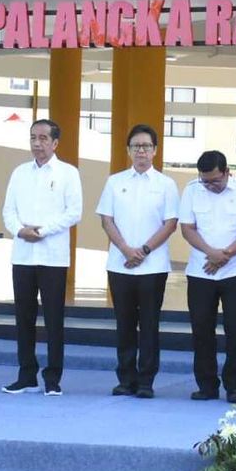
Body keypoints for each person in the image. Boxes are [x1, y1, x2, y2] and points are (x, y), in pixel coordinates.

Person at [96, 124, 179, 399]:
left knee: (150, 324)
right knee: (124, 324)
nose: (141, 151)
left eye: (146, 146)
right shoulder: (115, 182)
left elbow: (170, 224)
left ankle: (146, 380)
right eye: (135, 146)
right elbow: (106, 219)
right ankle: (125, 378)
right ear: (128, 150)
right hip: (119, 265)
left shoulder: (166, 184)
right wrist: (125, 249)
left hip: (152, 267)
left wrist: (142, 251)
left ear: (155, 150)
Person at [1, 119, 83, 396]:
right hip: (23, 254)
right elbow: (8, 211)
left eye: (43, 138)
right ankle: (26, 375)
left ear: (55, 142)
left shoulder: (68, 173)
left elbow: (74, 212)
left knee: (53, 319)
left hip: (52, 256)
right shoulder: (19, 172)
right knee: (23, 318)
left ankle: (52, 377)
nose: (37, 143)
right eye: (33, 138)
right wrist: (20, 230)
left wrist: (44, 231)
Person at [180, 150, 236, 403]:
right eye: (205, 180)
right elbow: (187, 228)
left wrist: (225, 255)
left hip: (235, 271)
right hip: (200, 271)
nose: (210, 185)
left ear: (227, 172)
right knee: (201, 329)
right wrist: (211, 254)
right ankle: (206, 385)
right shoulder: (192, 190)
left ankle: (234, 386)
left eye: (215, 180)